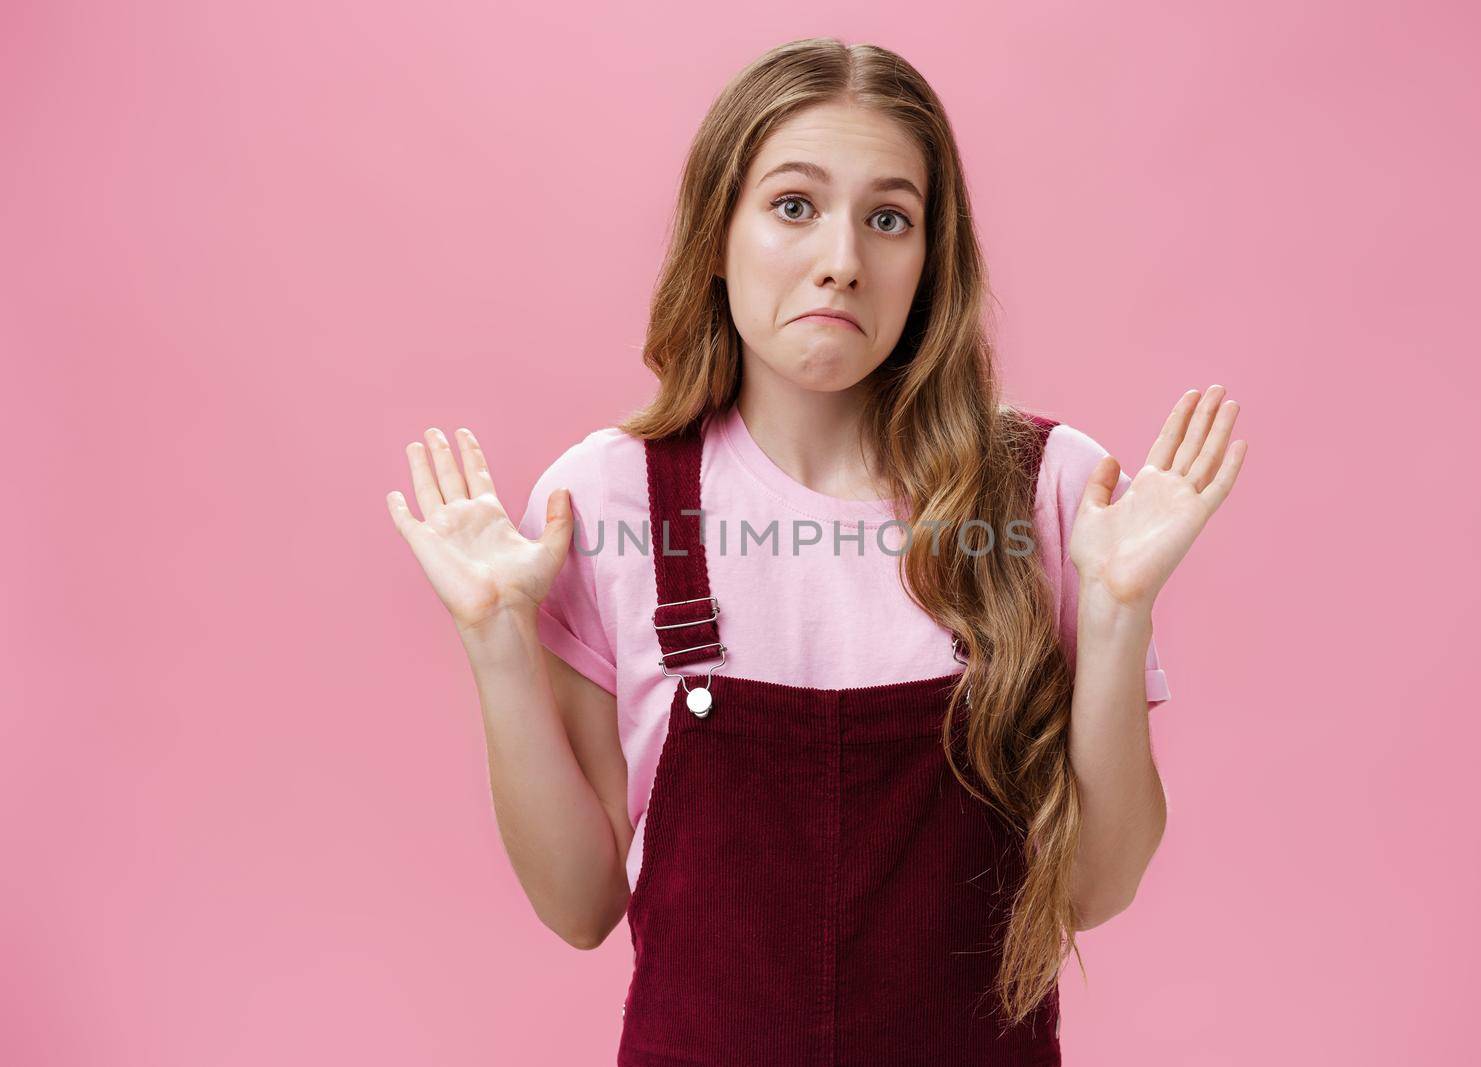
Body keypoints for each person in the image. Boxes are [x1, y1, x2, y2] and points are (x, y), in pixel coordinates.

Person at [386, 36, 1246, 1066]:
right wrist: (495, 639)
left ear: (930, 262)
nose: (842, 255)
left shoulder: (1053, 491)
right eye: (794, 204)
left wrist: (1113, 616)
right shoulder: (610, 497)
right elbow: (579, 905)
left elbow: (1098, 891)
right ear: (718, 232)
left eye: (889, 218)